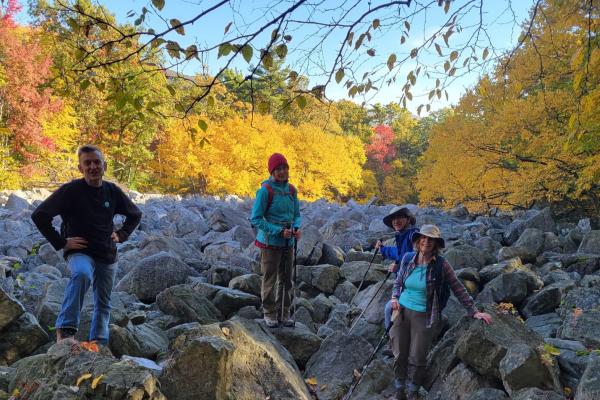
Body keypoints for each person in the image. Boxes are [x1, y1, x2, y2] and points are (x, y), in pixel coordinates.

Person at [31, 145, 142, 345]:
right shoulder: (70, 190)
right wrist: (62, 242)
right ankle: (65, 330)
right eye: (87, 163)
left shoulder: (112, 191)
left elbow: (135, 214)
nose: (93, 167)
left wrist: (122, 234)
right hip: (80, 251)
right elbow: (40, 215)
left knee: (103, 303)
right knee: (81, 274)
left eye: (96, 162)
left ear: (104, 166)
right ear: (80, 168)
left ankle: (98, 343)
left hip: (107, 253)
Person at [389, 224, 492, 400]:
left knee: (417, 356)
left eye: (431, 239)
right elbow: (398, 282)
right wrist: (394, 298)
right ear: (418, 239)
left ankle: (413, 391)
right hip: (402, 311)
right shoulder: (407, 258)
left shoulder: (442, 265)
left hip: (425, 316)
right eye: (423, 237)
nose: (426, 241)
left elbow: (458, 288)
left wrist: (473, 311)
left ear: (436, 244)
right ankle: (399, 390)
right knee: (399, 353)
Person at [250, 153, 301, 328]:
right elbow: (256, 219)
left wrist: (297, 228)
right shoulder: (266, 191)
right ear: (272, 172)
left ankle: (284, 313)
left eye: (284, 168)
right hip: (270, 243)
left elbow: (297, 215)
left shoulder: (292, 190)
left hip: (288, 242)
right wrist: (279, 231)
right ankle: (269, 312)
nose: (282, 172)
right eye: (278, 169)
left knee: (287, 279)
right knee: (270, 278)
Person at [374, 206, 418, 331]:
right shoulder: (402, 236)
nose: (396, 221)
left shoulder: (414, 235)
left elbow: (418, 257)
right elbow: (398, 253)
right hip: (405, 284)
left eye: (399, 217)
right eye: (393, 219)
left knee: (389, 308)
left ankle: (392, 342)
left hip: (414, 286)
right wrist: (382, 249)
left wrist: (399, 267)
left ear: (408, 219)